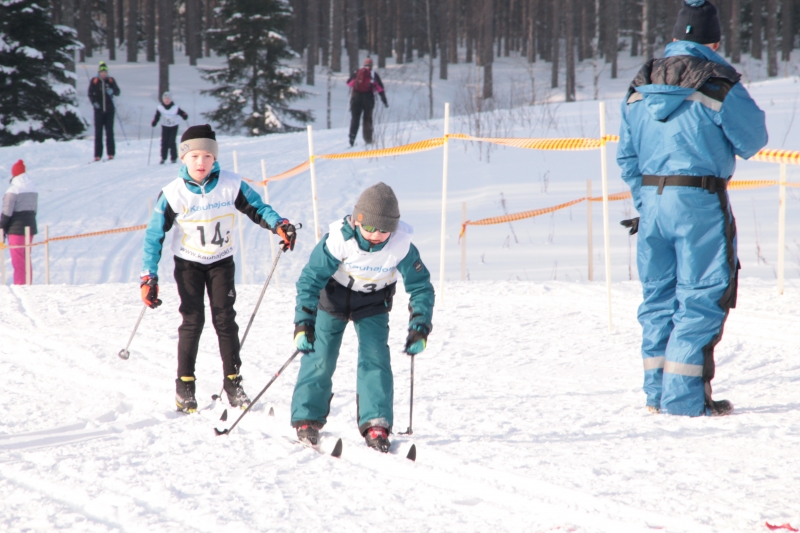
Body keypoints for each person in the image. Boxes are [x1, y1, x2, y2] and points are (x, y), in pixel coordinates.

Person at [617, 0, 767, 417]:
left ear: (674, 38)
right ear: (714, 41)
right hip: (699, 201)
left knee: (657, 298)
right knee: (701, 295)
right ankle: (682, 401)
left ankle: (656, 395)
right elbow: (753, 140)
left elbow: (626, 157)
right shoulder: (718, 81)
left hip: (651, 206)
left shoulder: (639, 84)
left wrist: (646, 200)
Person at [140, 124, 298, 413]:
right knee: (193, 320)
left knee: (225, 320)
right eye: (195, 156)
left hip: (221, 262)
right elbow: (153, 236)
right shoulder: (173, 193)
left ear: (215, 159)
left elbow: (258, 208)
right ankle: (184, 386)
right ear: (183, 159)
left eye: (207, 156)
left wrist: (279, 225)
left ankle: (233, 383)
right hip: (188, 264)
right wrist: (148, 276)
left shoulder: (231, 184)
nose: (201, 162)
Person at [290, 182, 434, 453]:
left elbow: (420, 286)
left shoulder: (401, 245)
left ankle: (376, 422)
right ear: (357, 221)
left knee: (375, 358)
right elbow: (310, 279)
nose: (376, 235)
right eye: (369, 228)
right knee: (320, 356)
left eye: (384, 229)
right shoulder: (338, 240)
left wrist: (420, 325)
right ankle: (307, 417)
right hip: (332, 300)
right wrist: (303, 322)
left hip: (373, 303)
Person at [1, 160, 37, 285]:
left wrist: (2, 228)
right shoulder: (33, 189)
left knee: (18, 260)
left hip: (15, 230)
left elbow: (7, 212)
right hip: (30, 228)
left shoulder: (13, 190)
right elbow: (34, 210)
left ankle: (20, 285)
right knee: (27, 258)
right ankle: (28, 284)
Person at [346, 57, 388, 147]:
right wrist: (384, 100)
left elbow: (349, 83)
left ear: (364, 65)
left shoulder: (357, 72)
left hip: (356, 97)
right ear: (372, 65)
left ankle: (352, 140)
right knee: (367, 119)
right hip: (368, 98)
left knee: (355, 118)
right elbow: (380, 88)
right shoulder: (373, 74)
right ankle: (368, 140)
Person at [88, 61, 120, 162]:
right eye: (102, 71)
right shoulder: (95, 81)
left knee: (109, 132)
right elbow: (90, 94)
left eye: (105, 71)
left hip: (110, 110)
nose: (103, 73)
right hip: (98, 111)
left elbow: (118, 91)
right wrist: (94, 103)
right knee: (98, 133)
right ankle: (97, 155)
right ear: (99, 72)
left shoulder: (110, 80)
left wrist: (112, 91)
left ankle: (111, 153)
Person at [151, 92, 189, 165]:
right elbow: (157, 116)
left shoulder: (175, 108)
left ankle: (173, 158)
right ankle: (163, 158)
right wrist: (154, 122)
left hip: (174, 126)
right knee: (164, 142)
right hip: (165, 126)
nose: (166, 100)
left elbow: (182, 113)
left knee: (171, 142)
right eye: (165, 99)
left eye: (168, 99)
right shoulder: (160, 107)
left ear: (170, 99)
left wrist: (184, 115)